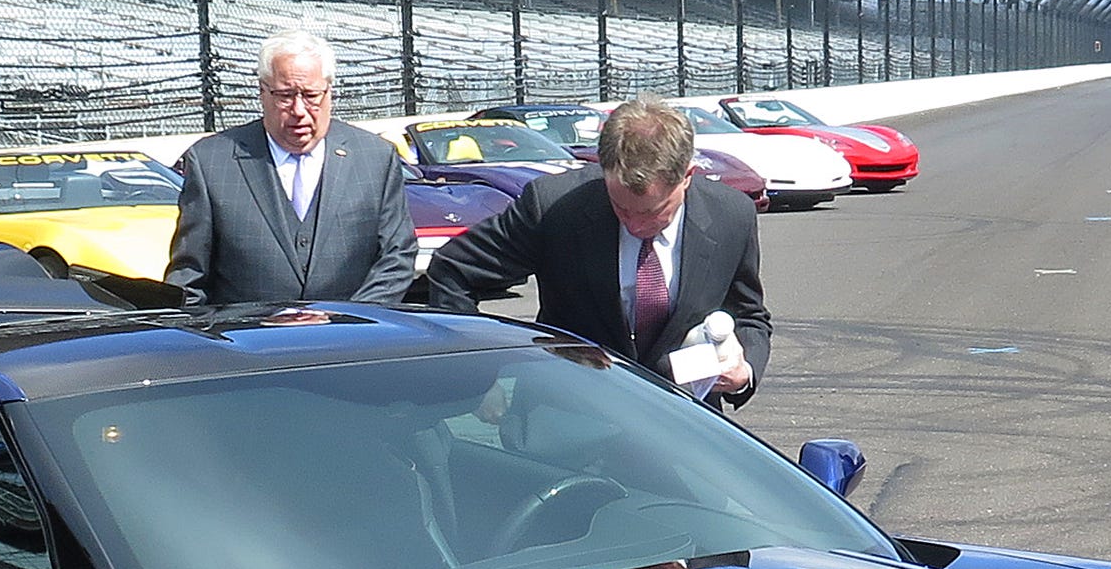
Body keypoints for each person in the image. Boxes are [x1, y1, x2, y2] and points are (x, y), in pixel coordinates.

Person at [413, 96, 769, 409]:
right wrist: (474, 376)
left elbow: (749, 314)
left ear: (687, 176)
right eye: (620, 207)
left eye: (651, 212)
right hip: (569, 414)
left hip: (683, 421)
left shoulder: (730, 216)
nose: (633, 225)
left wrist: (743, 371)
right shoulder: (554, 207)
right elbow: (454, 269)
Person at [166, 30, 417, 307]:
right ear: (262, 92)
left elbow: (396, 256)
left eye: (311, 95)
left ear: (329, 91)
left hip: (352, 340)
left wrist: (353, 320)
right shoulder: (211, 163)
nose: (299, 110)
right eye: (285, 95)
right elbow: (189, 280)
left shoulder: (375, 159)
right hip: (251, 342)